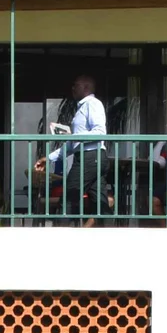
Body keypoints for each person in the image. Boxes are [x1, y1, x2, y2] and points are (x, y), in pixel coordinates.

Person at [35, 74, 107, 225]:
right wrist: (48, 158)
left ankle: (62, 238)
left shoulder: (92, 104)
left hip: (90, 156)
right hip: (91, 157)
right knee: (100, 204)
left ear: (86, 87)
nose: (73, 88)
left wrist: (75, 136)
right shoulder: (82, 107)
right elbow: (72, 143)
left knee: (68, 200)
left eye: (76, 85)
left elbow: (100, 131)